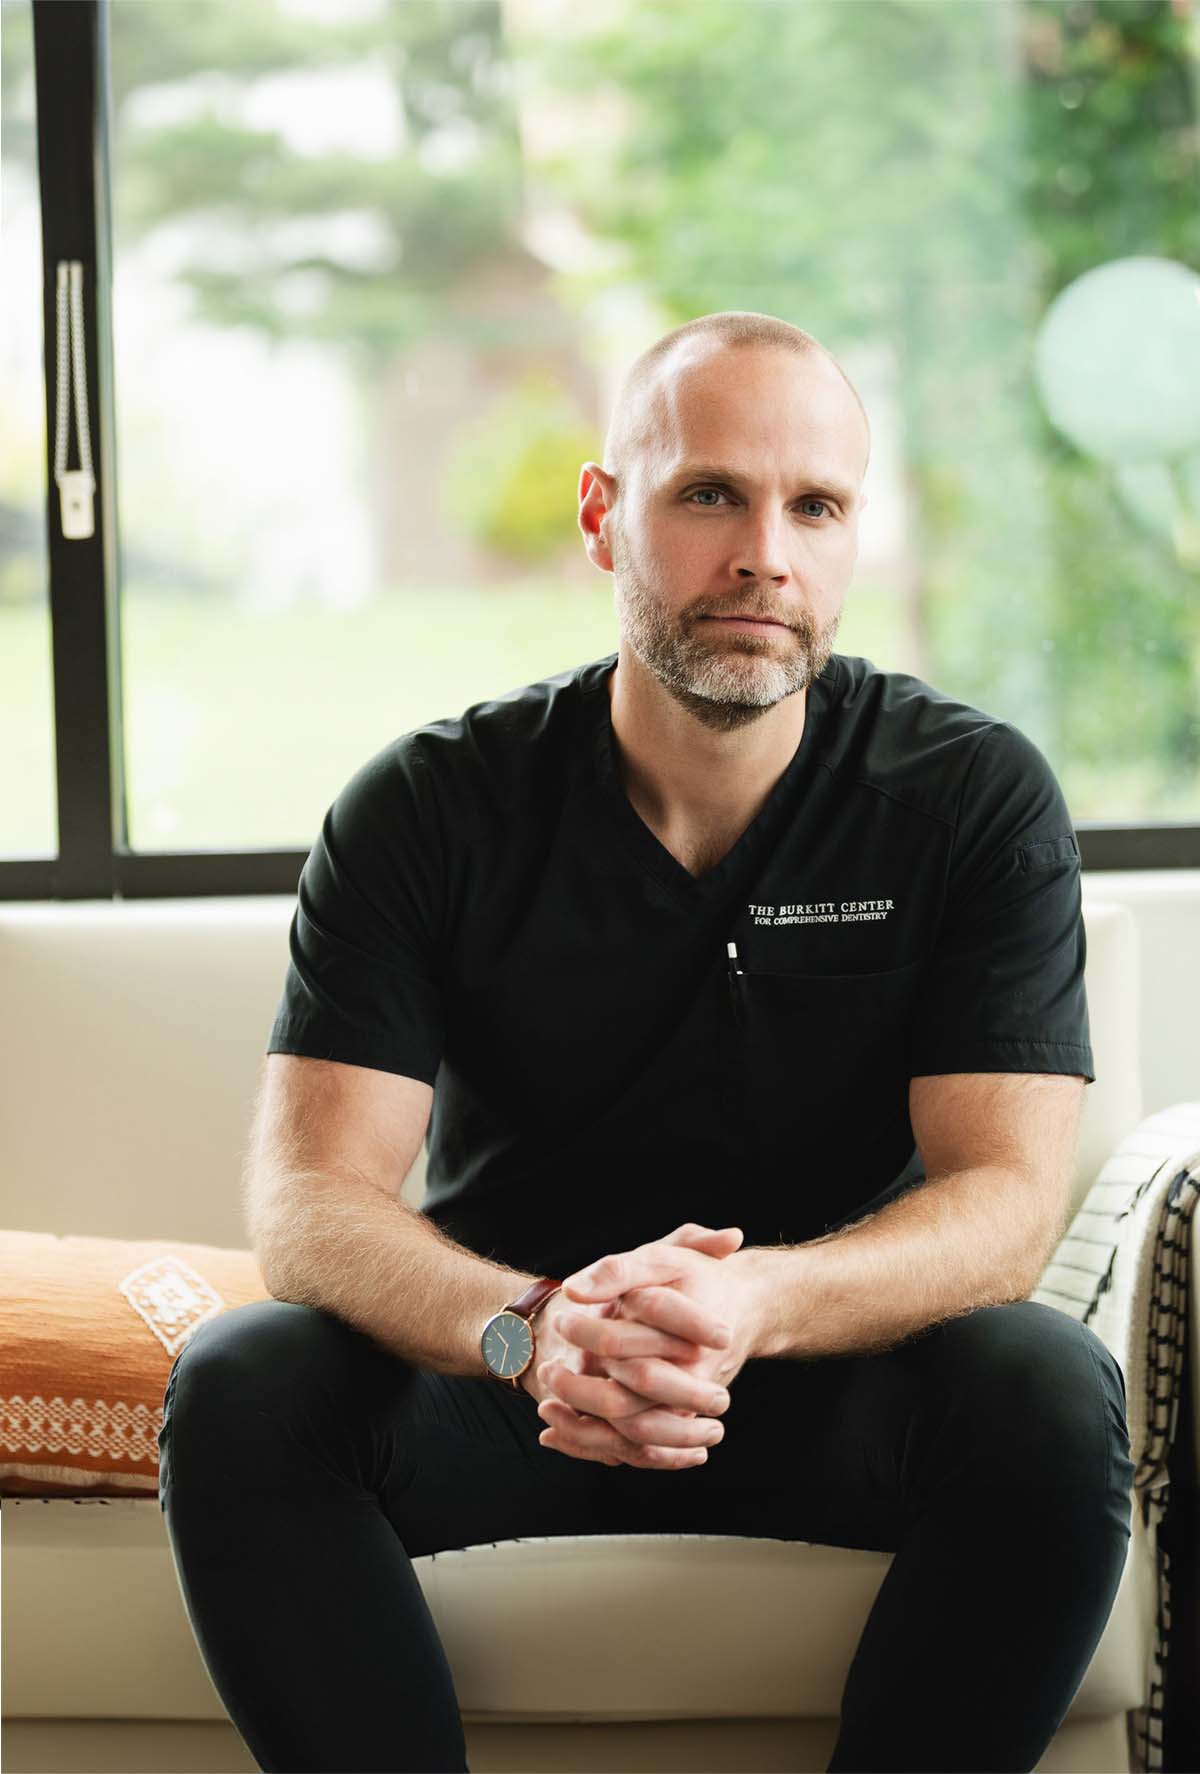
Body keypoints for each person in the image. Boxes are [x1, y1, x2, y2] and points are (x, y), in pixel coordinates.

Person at [158, 310, 1134, 1774]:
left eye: (816, 506)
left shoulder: (970, 798)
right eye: (710, 494)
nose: (766, 555)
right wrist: (535, 1330)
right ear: (603, 515)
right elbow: (308, 1203)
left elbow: (1005, 1199)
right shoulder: (426, 807)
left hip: (830, 1374)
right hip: (514, 1381)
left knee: (1046, 1387)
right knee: (245, 1377)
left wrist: (755, 1303)